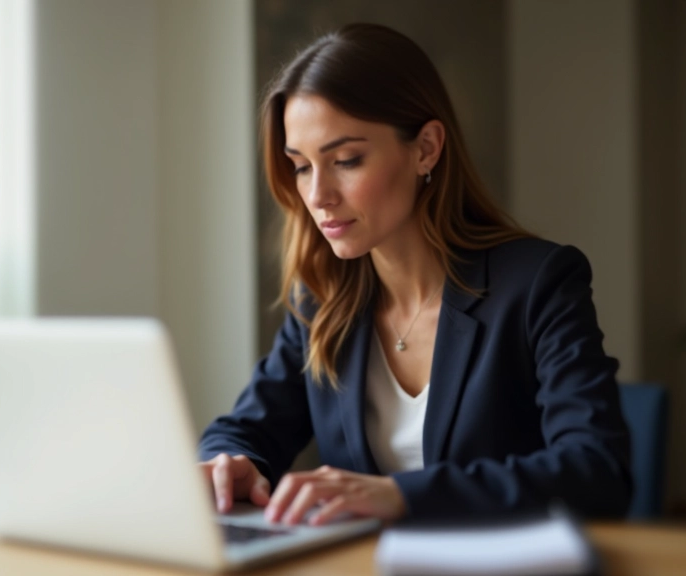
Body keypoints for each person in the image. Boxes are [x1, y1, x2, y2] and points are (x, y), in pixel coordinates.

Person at [198, 23, 632, 527]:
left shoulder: (539, 283)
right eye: (300, 166)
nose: (317, 196)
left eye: (346, 160)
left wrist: (401, 495)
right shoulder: (323, 298)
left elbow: (596, 471)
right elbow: (245, 430)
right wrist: (228, 463)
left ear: (425, 147)